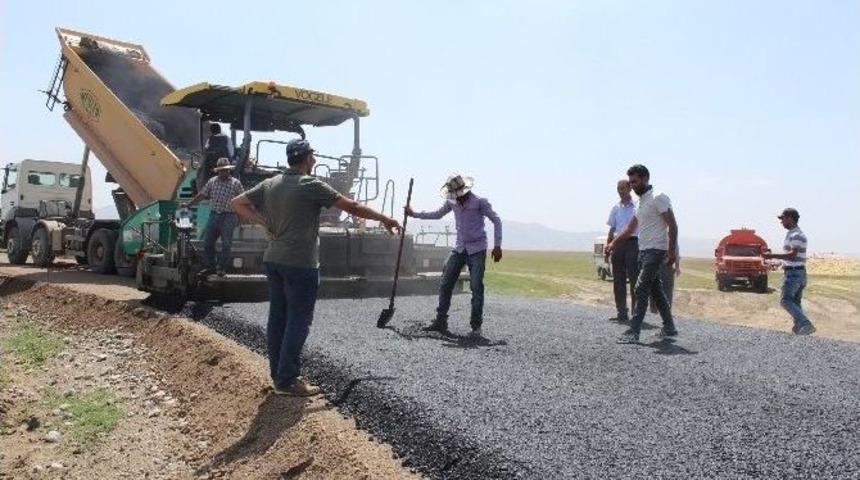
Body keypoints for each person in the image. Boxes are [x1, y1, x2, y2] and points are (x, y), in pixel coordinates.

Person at [231, 139, 402, 396]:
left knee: (278, 317)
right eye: (312, 157)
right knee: (299, 320)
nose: (314, 161)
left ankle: (279, 376)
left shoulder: (270, 183)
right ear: (308, 158)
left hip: (273, 260)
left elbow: (237, 203)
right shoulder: (310, 184)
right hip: (300, 263)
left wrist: (263, 222)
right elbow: (352, 206)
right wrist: (385, 219)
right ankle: (288, 380)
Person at [405, 174, 503, 336]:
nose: (457, 198)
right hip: (459, 248)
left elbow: (496, 220)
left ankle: (476, 327)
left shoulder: (480, 202)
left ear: (465, 191)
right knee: (445, 283)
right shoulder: (452, 202)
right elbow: (437, 214)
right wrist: (414, 214)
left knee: (476, 287)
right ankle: (440, 321)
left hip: (477, 249)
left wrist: (497, 245)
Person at [606, 164, 679, 344]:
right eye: (630, 182)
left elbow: (673, 225)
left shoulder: (658, 197)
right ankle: (669, 327)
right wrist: (613, 243)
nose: (632, 186)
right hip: (643, 251)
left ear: (645, 179)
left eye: (635, 181)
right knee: (657, 291)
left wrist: (671, 251)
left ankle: (634, 330)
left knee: (640, 288)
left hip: (656, 250)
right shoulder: (640, 203)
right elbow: (630, 228)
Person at [183, 158, 244, 277]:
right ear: (218, 171)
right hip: (214, 215)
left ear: (229, 170)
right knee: (208, 243)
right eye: (221, 170)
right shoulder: (212, 182)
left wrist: (241, 217)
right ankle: (211, 267)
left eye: (225, 170)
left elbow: (242, 199)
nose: (223, 172)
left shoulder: (235, 183)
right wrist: (189, 204)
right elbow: (202, 195)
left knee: (226, 244)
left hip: (229, 216)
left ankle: (221, 268)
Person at [763, 208, 816, 335]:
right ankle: (799, 329)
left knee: (785, 300)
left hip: (794, 274)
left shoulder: (796, 235)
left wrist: (771, 256)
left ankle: (805, 324)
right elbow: (793, 258)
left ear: (791, 218)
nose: (781, 222)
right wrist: (778, 263)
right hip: (798, 272)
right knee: (795, 302)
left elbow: (792, 255)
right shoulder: (793, 234)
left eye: (783, 219)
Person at [605, 179, 639, 323]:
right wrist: (608, 247)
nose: (620, 191)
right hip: (617, 245)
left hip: (633, 243)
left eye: (623, 188)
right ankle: (621, 313)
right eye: (618, 189)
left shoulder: (637, 206)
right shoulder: (616, 208)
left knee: (634, 280)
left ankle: (636, 315)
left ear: (630, 188)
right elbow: (612, 229)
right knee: (618, 280)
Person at [651, 244, 680, 313]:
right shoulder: (670, 237)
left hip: (658, 263)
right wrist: (677, 266)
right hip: (664, 264)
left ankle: (655, 311)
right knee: (666, 291)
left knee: (656, 290)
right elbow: (676, 251)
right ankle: (664, 312)